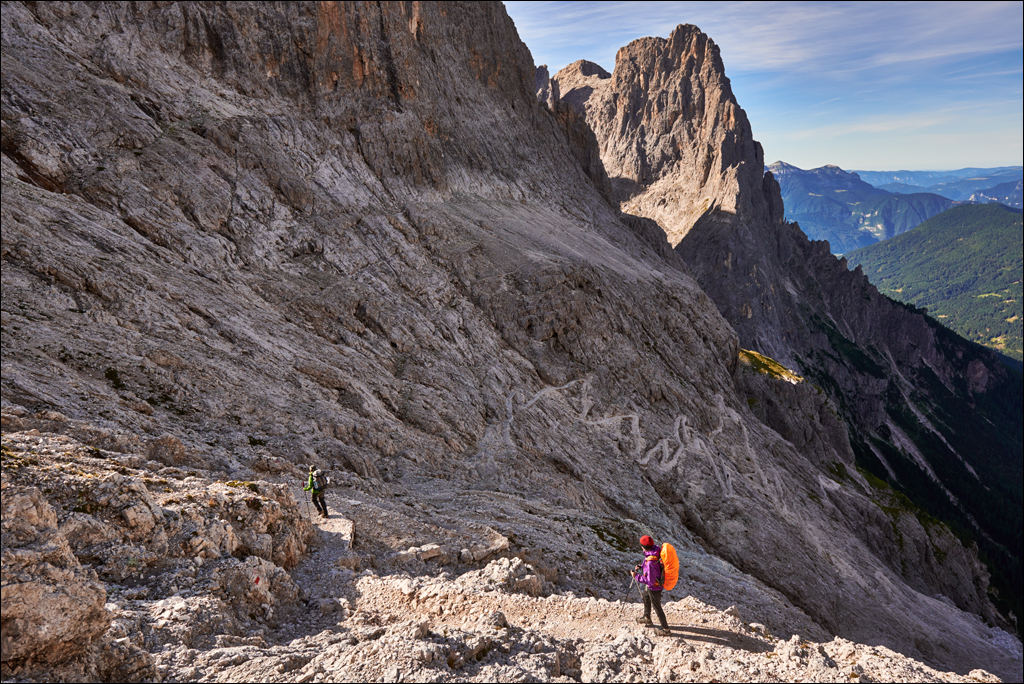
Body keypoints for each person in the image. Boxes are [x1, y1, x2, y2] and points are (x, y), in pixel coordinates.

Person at [631, 535, 670, 636]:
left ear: (643, 547)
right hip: (654, 583)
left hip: (654, 587)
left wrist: (636, 576)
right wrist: (642, 566)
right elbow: (651, 564)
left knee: (657, 607)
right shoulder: (655, 550)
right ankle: (647, 618)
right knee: (645, 597)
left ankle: (666, 630)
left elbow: (650, 581)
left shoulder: (650, 563)